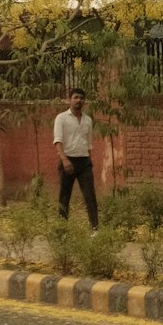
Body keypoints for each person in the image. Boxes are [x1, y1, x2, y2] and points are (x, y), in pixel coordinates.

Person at [54, 88, 98, 230]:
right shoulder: (61, 118)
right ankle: (62, 229)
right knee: (64, 197)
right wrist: (65, 160)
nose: (79, 100)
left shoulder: (88, 120)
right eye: (76, 97)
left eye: (81, 98)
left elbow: (88, 143)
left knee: (90, 197)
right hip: (68, 161)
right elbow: (58, 141)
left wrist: (89, 161)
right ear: (70, 100)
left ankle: (95, 230)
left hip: (84, 162)